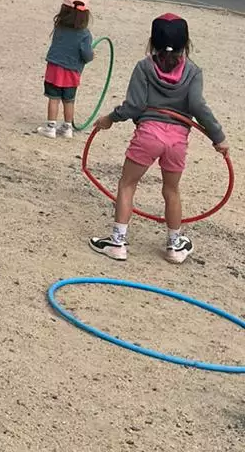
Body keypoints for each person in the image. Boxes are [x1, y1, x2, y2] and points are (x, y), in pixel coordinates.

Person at [90, 13, 228, 266]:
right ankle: (174, 246)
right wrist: (218, 137)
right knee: (171, 190)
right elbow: (198, 105)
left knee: (127, 183)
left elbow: (134, 106)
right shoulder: (194, 72)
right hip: (177, 141)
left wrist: (110, 118)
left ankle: (118, 242)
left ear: (152, 42)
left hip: (148, 135)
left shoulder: (144, 67)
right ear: (186, 44)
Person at [37, 0, 95, 138]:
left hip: (55, 69)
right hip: (72, 72)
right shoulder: (85, 34)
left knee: (54, 99)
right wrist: (92, 55)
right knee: (69, 100)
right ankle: (67, 128)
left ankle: (51, 127)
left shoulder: (59, 27)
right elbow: (87, 55)